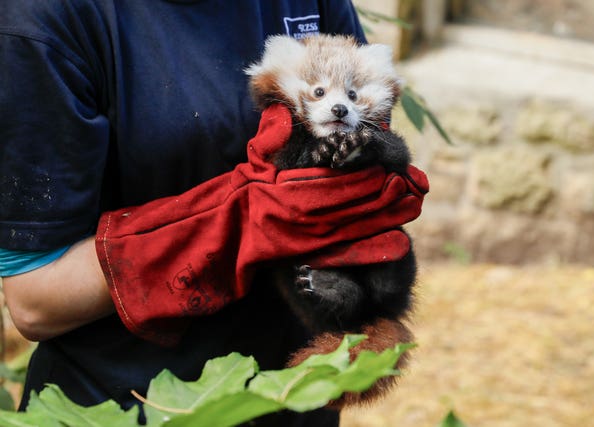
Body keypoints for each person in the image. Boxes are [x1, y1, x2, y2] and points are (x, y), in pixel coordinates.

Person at [0, 1, 426, 425]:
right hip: (127, 405)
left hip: (294, 392)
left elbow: (370, 145)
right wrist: (238, 223)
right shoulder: (44, 20)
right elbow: (35, 302)